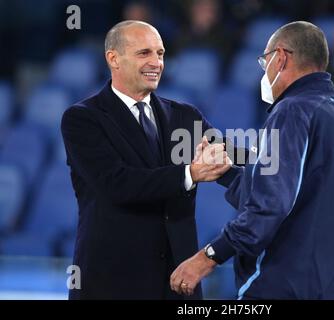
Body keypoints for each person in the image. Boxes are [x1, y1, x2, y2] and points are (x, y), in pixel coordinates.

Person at [170, 21, 334, 300]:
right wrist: (224, 171)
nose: (264, 70)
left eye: (265, 61)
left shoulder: (292, 110)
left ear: (280, 57)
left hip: (281, 283)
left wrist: (208, 257)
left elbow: (270, 206)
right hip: (333, 286)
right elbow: (293, 190)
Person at [61, 20, 230, 299]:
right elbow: (117, 184)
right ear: (113, 58)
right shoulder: (83, 119)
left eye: (160, 53)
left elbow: (231, 154)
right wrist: (189, 174)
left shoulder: (184, 116)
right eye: (144, 53)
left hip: (178, 282)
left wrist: (281, 154)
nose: (156, 62)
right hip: (112, 284)